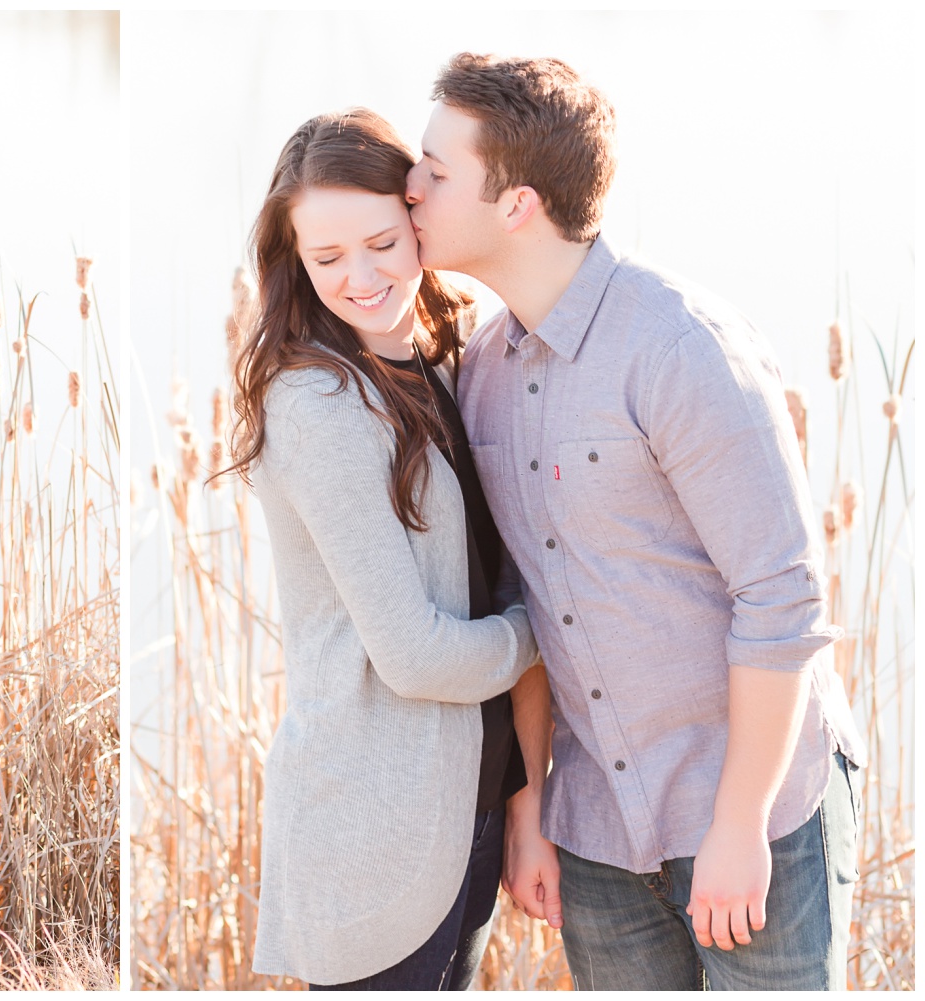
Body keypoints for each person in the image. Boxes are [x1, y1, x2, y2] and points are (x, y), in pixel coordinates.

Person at [405, 53, 866, 991]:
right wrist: (533, 802)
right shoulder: (484, 370)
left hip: (752, 815)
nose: (408, 188)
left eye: (435, 171)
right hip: (599, 832)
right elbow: (521, 605)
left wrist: (739, 824)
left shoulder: (678, 348)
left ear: (517, 205)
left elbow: (780, 599)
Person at [227, 108, 541, 990]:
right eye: (326, 259)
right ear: (294, 261)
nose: (361, 278)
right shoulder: (318, 405)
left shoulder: (441, 357)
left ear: (418, 218)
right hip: (375, 829)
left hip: (465, 815)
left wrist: (525, 795)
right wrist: (539, 632)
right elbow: (412, 652)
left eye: (380, 243)